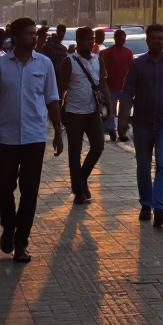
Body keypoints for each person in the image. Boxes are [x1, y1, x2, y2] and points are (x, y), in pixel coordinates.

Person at [0, 17, 62, 263]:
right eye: (28, 33)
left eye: (34, 33)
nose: (33, 37)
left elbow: (52, 99)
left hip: (34, 138)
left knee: (29, 192)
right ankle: (8, 226)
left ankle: (21, 243)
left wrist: (58, 130)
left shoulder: (45, 64)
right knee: (5, 188)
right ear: (15, 36)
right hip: (5, 138)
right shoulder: (0, 65)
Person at [118, 23, 163, 225]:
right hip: (142, 124)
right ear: (148, 40)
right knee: (143, 166)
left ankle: (159, 208)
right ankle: (146, 204)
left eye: (161, 38)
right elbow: (128, 92)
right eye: (155, 38)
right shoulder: (138, 65)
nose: (158, 41)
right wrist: (123, 120)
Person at [57, 27, 109, 204]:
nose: (91, 42)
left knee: (98, 146)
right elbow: (61, 90)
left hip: (93, 111)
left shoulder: (97, 60)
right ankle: (79, 190)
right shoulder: (69, 61)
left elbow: (102, 84)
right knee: (75, 152)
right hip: (73, 113)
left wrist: (108, 106)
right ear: (78, 41)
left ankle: (81, 179)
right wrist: (56, 118)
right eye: (87, 39)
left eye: (92, 39)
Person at [100, 28, 133, 142]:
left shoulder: (128, 52)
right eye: (120, 38)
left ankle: (121, 132)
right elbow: (102, 70)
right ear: (115, 38)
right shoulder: (106, 53)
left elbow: (131, 70)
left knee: (124, 112)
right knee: (111, 111)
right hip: (111, 87)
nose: (122, 40)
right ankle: (111, 130)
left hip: (125, 88)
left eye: (123, 38)